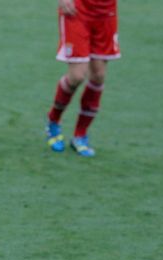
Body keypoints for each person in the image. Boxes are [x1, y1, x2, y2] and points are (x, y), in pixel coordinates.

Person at [44, 0, 120, 157]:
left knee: (98, 76)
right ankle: (53, 120)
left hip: (106, 11)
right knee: (77, 76)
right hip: (77, 9)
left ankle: (80, 135)